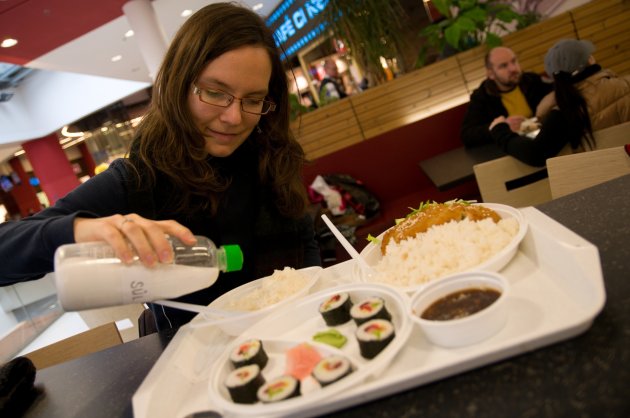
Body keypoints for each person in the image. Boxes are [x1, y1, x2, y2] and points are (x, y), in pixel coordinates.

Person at [0, 3, 321, 331]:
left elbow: (305, 247)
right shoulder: (138, 182)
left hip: (295, 330)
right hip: (195, 351)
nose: (234, 117)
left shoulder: (272, 158)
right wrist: (78, 229)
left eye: (252, 100)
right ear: (179, 85)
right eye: (214, 93)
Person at [489, 39, 630, 166]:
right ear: (591, 59)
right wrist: (525, 126)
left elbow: (535, 153)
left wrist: (500, 130)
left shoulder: (567, 110)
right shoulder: (626, 84)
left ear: (553, 76)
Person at [460, 46, 552, 147]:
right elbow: (467, 135)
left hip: (544, 139)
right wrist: (501, 127)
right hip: (514, 147)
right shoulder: (482, 96)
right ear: (491, 74)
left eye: (514, 61)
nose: (513, 68)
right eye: (503, 66)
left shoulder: (532, 80)